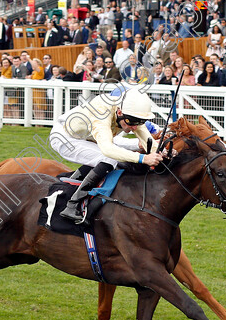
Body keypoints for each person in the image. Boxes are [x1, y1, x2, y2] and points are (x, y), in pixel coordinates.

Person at [50, 89, 162, 223]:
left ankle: (73, 179)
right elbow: (108, 149)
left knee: (108, 158)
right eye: (131, 123)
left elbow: (147, 139)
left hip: (85, 136)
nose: (134, 128)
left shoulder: (129, 115)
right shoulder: (102, 112)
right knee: (109, 159)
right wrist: (143, 158)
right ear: (119, 112)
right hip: (65, 138)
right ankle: (72, 205)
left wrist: (162, 152)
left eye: (138, 123)